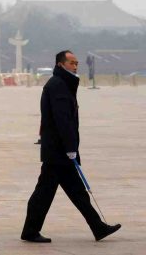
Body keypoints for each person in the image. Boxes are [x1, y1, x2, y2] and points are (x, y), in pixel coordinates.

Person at [20, 50, 121, 243]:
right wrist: (70, 147)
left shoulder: (63, 84)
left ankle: (98, 227)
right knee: (45, 193)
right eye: (71, 63)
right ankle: (30, 231)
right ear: (60, 64)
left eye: (76, 63)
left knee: (76, 192)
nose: (75, 66)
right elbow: (62, 120)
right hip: (58, 152)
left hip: (59, 151)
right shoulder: (58, 86)